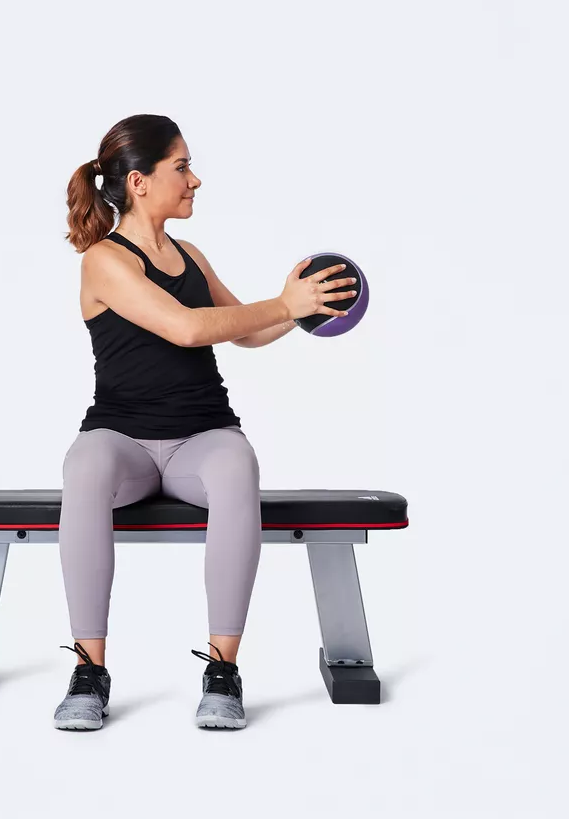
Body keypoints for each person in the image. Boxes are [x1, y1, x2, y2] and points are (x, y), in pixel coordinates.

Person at [54, 113, 357, 730]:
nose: (195, 180)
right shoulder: (104, 260)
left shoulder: (189, 254)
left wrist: (302, 311)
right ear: (139, 181)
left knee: (237, 462)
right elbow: (187, 328)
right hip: (122, 440)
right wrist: (282, 305)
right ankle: (89, 671)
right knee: (83, 467)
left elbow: (244, 331)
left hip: (201, 436)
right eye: (182, 167)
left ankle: (222, 671)